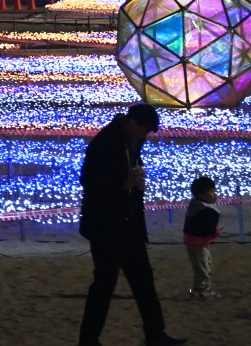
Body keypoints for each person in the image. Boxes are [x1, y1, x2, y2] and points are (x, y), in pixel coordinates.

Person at [77, 103, 186, 346]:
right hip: (107, 226)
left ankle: (155, 334)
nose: (145, 136)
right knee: (104, 284)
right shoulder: (106, 142)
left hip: (129, 224)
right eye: (144, 130)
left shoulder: (132, 141)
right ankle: (88, 339)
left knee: (143, 281)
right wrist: (122, 183)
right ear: (133, 123)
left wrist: (136, 187)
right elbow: (89, 180)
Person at [182, 175, 221, 300]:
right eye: (211, 192)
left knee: (206, 265)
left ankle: (203, 288)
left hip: (198, 241)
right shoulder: (204, 209)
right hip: (197, 242)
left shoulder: (196, 205)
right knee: (202, 268)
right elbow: (206, 228)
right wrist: (215, 232)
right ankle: (200, 291)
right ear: (201, 195)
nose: (215, 195)